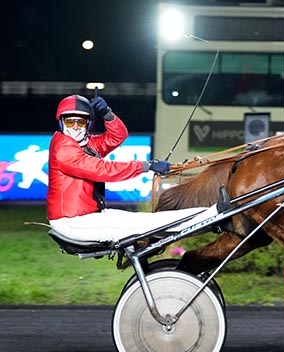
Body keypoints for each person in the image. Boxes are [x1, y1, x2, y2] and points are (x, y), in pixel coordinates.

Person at [47, 91, 207, 242]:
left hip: (86, 216)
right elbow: (103, 170)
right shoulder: (63, 148)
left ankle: (205, 214)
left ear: (88, 124)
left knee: (145, 221)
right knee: (146, 225)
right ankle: (207, 216)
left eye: (80, 121)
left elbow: (117, 136)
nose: (75, 126)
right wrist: (147, 165)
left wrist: (107, 114)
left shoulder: (87, 144)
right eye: (70, 121)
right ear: (61, 122)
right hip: (72, 221)